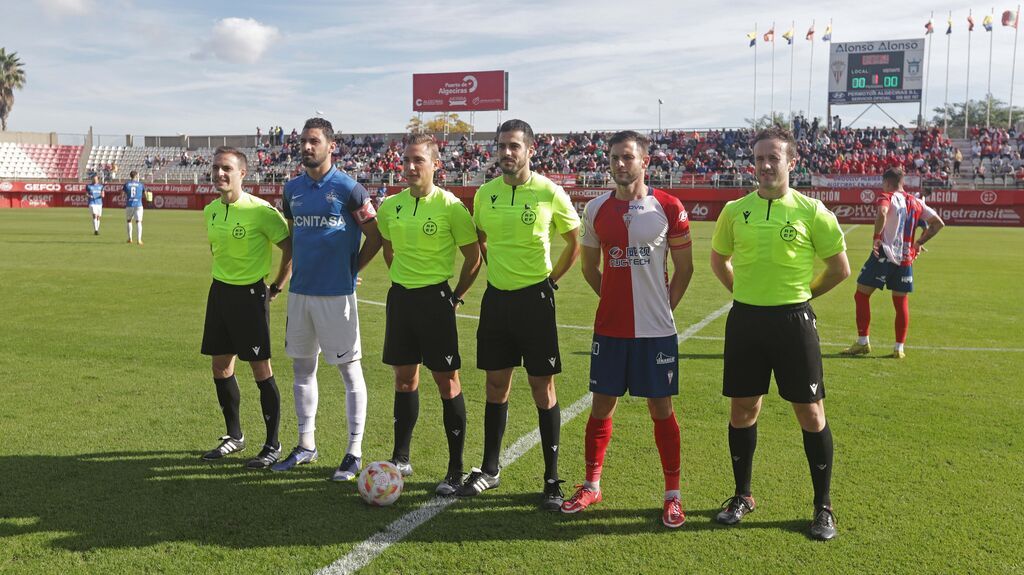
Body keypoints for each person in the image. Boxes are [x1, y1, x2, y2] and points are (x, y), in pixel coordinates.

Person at [709, 126, 850, 541]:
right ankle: (742, 495)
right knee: (742, 410)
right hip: (746, 321)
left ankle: (822, 506)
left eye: (774, 158)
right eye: (759, 159)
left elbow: (840, 268)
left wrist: (805, 296)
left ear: (792, 162)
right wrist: (742, 292)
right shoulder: (736, 210)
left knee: (810, 413)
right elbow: (719, 260)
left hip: (794, 322)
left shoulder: (812, 211)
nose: (766, 166)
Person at [560, 131, 694, 528]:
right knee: (601, 405)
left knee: (661, 408)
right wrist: (613, 300)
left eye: (628, 157)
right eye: (615, 157)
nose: (621, 163)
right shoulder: (597, 208)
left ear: (644, 162)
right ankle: (591, 485)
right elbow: (588, 267)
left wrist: (663, 307)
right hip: (611, 330)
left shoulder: (668, 206)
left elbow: (685, 269)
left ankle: (672, 495)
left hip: (656, 331)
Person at [457, 119, 581, 510]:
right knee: (496, 385)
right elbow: (479, 236)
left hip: (535, 302)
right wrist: (496, 267)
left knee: (542, 388)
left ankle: (551, 479)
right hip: (496, 301)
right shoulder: (486, 194)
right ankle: (490, 470)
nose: (507, 153)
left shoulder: (549, 192)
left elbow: (574, 241)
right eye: (502, 146)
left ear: (530, 150)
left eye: (514, 146)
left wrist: (552, 281)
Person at [272, 118, 383, 481]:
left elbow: (376, 236)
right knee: (302, 369)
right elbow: (293, 237)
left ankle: (353, 451)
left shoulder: (350, 189)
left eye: (314, 141)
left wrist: (353, 268)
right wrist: (284, 280)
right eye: (303, 141)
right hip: (301, 293)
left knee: (350, 371)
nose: (307, 147)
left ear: (331, 146)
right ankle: (306, 445)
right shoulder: (292, 190)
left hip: (337, 295)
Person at [376, 134, 482, 495]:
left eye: (418, 160)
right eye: (405, 160)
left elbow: (473, 259)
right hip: (401, 300)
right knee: (404, 379)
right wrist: (402, 279)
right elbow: (389, 250)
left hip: (437, 302)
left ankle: (454, 469)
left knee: (447, 383)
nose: (409, 167)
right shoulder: (391, 206)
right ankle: (400, 457)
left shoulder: (452, 207)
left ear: (436, 164)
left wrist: (454, 297)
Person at [199, 147, 292, 468]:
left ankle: (272, 444)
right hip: (220, 294)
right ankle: (235, 437)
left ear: (242, 173)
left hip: (251, 297)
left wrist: (277, 286)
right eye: (215, 168)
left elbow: (289, 247)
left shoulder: (261, 211)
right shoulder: (210, 210)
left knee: (260, 369)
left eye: (226, 168)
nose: (219, 174)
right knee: (220, 367)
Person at [841, 168, 945, 359]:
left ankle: (863, 342)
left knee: (861, 295)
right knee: (900, 301)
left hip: (884, 254)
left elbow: (882, 212)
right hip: (905, 258)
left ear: (887, 182)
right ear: (902, 182)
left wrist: (876, 237)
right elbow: (938, 223)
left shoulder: (886, 196)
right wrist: (919, 243)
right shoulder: (915, 201)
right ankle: (899, 348)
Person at [122, 171, 145, 245]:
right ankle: (139, 240)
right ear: (136, 176)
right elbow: (145, 195)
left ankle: (130, 238)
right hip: (138, 205)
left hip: (129, 204)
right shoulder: (140, 184)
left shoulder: (127, 184)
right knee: (138, 222)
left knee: (129, 221)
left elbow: (122, 195)